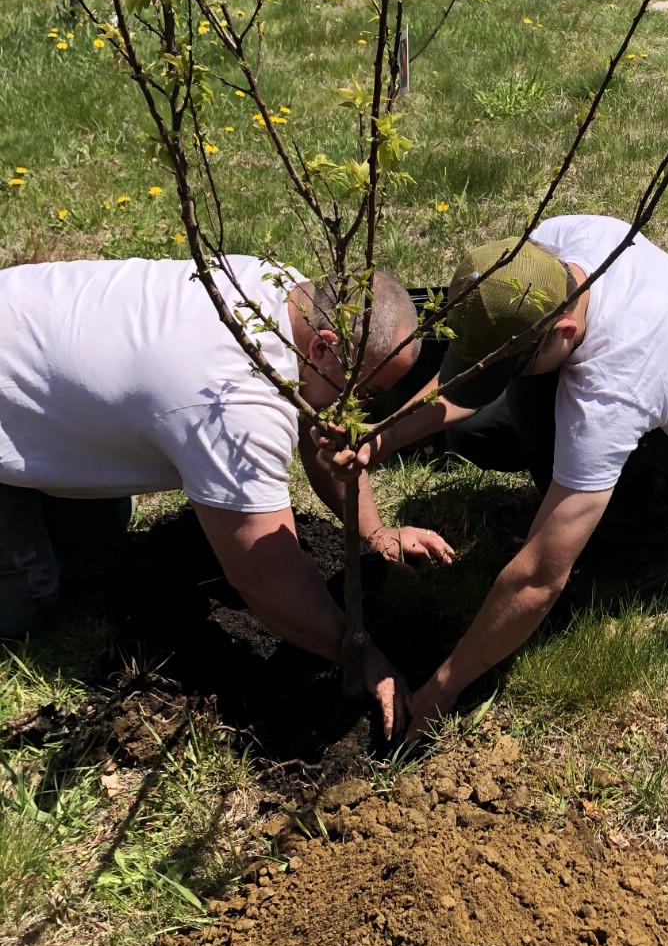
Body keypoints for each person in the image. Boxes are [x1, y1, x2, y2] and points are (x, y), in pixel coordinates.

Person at [350, 214, 668, 742]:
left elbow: (537, 579)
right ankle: (571, 480)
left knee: (533, 402)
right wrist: (378, 439)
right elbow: (467, 380)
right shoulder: (557, 246)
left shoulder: (614, 388)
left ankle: (640, 560)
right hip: (662, 400)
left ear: (564, 330)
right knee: (479, 428)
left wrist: (444, 687)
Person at [0, 253, 451, 735]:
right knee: (30, 601)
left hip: (27, 325)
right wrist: (362, 655)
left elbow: (321, 439)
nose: (361, 407)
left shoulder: (279, 295)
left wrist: (374, 532)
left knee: (100, 530)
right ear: (324, 348)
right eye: (363, 389)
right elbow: (263, 578)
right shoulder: (232, 407)